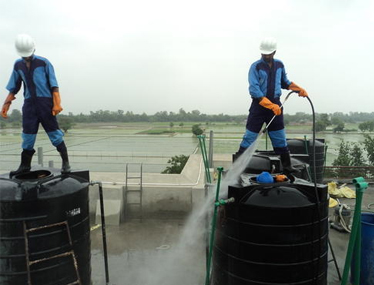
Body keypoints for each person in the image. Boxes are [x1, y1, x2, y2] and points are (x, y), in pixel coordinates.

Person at [1, 34, 71, 176]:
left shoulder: (44, 63)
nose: (27, 57)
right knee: (27, 135)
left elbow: (54, 84)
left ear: (34, 49)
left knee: (54, 133)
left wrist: (56, 102)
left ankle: (66, 162)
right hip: (29, 105)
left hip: (45, 103)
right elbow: (14, 86)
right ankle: (25, 165)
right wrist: (6, 103)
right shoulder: (18, 65)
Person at [237, 37, 308, 174]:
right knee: (250, 136)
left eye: (269, 53)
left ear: (274, 52)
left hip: (275, 106)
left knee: (279, 136)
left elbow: (284, 82)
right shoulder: (255, 67)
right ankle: (238, 167)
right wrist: (268, 104)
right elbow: (254, 89)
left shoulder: (279, 65)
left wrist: (298, 89)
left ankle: (287, 167)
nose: (266, 56)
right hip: (259, 106)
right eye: (264, 53)